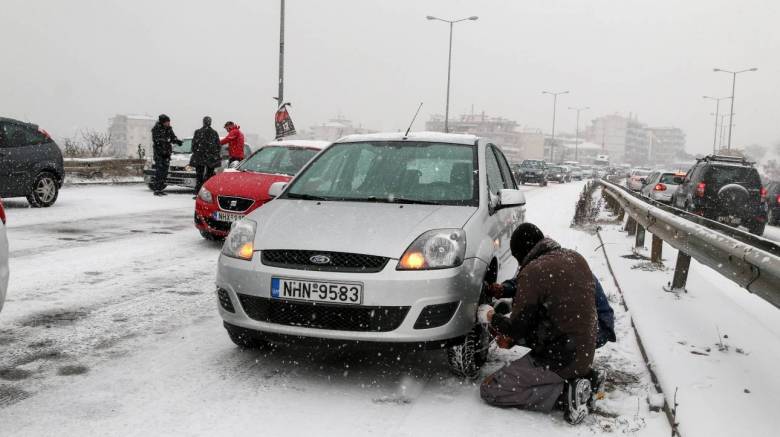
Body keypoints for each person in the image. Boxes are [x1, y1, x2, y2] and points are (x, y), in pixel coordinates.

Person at [478, 223, 597, 425]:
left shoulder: (534, 270)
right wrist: (507, 291)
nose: (519, 265)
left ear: (522, 253)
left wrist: (491, 317)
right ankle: (587, 379)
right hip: (584, 350)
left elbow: (516, 329)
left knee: (491, 389)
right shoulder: (573, 257)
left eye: (518, 259)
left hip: (561, 358)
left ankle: (566, 394)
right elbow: (550, 291)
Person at [150, 114, 182, 196]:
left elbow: (172, 137)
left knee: (165, 172)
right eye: (167, 122)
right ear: (163, 122)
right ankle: (157, 189)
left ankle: (160, 188)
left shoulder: (169, 129)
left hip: (167, 154)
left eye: (169, 122)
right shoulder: (156, 129)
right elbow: (157, 140)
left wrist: (177, 141)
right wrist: (166, 141)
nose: (168, 123)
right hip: (159, 154)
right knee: (159, 172)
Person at [190, 116, 220, 196]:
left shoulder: (198, 132)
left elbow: (193, 145)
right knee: (209, 176)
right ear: (210, 122)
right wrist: (214, 155)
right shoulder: (214, 133)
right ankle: (207, 193)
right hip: (211, 159)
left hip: (199, 158)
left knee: (199, 176)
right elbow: (218, 146)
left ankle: (198, 193)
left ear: (203, 122)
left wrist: (196, 152)